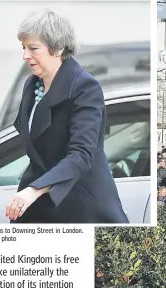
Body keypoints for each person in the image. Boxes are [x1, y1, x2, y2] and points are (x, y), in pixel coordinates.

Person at [7, 9, 128, 223]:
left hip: (80, 204)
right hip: (40, 200)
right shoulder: (32, 83)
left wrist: (34, 190)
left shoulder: (84, 87)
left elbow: (81, 155)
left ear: (58, 48)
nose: (25, 55)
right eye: (23, 47)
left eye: (33, 48)